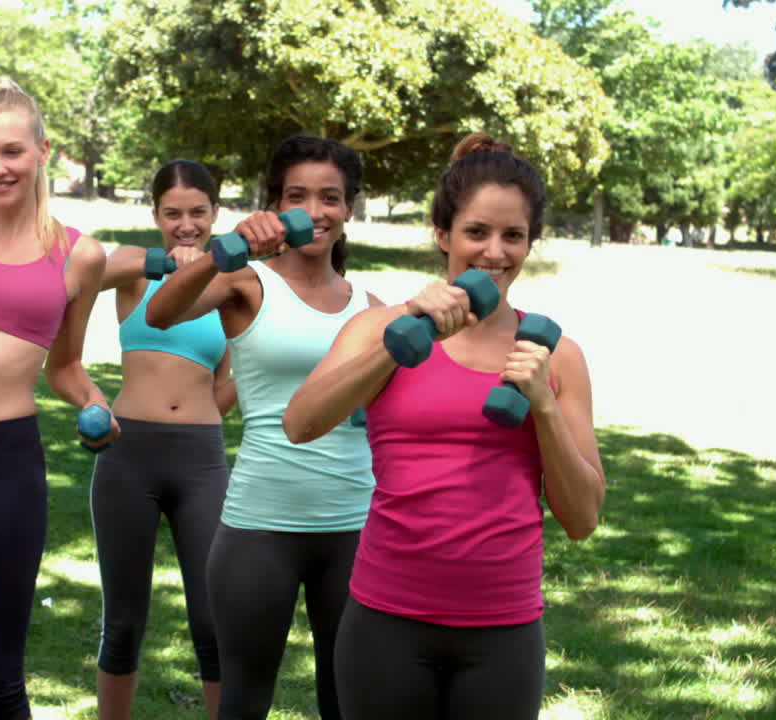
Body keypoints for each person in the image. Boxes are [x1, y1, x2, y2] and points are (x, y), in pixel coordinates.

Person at [283, 133, 606, 720]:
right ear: (443, 234)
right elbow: (301, 423)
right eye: (476, 232)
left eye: (514, 236)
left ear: (531, 243)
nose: (495, 252)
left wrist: (545, 407)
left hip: (503, 628)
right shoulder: (380, 327)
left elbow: (582, 519)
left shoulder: (556, 356)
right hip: (386, 620)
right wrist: (405, 337)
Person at [146, 136, 380, 720]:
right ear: (274, 205)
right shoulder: (247, 283)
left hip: (354, 527)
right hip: (260, 527)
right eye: (297, 195)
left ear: (349, 207)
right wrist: (222, 254)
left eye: (331, 197)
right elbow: (161, 313)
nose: (316, 211)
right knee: (244, 700)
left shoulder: (372, 307)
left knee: (348, 700)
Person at [0, 76, 116, 720]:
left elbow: (65, 366)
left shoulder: (79, 256)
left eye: (12, 151)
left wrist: (96, 404)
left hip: (7, 461)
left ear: (43, 150)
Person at [92, 159, 236, 720]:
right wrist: (163, 263)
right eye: (172, 213)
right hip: (129, 455)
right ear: (155, 215)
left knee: (212, 620)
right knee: (124, 620)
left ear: (214, 213)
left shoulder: (229, 282)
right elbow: (82, 276)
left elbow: (229, 384)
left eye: (197, 212)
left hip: (201, 460)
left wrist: (199, 414)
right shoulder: (132, 271)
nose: (186, 224)